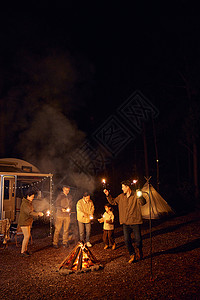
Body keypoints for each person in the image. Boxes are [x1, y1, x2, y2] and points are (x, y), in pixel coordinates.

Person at [104, 180, 146, 263]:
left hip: (135, 222)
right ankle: (132, 255)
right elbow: (113, 201)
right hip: (125, 223)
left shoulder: (135, 195)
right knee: (127, 241)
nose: (122, 188)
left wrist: (140, 196)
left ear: (128, 187)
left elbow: (143, 203)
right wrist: (108, 195)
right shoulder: (121, 197)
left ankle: (139, 250)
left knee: (138, 240)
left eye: (123, 187)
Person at [18, 190, 44, 257]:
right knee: (26, 236)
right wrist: (38, 214)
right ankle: (22, 252)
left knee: (28, 236)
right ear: (28, 196)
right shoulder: (25, 203)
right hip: (24, 221)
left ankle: (25, 250)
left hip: (28, 221)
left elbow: (31, 211)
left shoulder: (29, 202)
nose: (32, 198)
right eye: (32, 197)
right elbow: (29, 212)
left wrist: (37, 212)